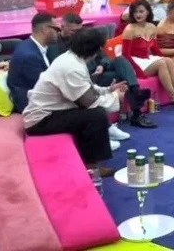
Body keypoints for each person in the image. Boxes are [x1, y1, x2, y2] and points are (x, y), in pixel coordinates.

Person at [23, 28, 127, 177]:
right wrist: (116, 97)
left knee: (93, 114)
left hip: (51, 112)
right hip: (40, 121)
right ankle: (91, 167)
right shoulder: (70, 66)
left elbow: (87, 88)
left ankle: (89, 161)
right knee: (96, 115)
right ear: (95, 49)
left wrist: (109, 90)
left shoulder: (71, 58)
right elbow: (89, 102)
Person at [50, 13, 154, 131]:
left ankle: (135, 90)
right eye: (74, 31)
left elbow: (105, 57)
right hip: (86, 77)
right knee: (123, 78)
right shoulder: (55, 44)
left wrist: (102, 65)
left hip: (101, 71)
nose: (77, 34)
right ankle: (137, 111)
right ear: (63, 27)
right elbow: (60, 68)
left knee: (120, 60)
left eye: (80, 30)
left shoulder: (85, 37)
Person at [121, 0, 174, 108]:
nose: (138, 15)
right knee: (161, 64)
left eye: (141, 11)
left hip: (147, 58)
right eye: (135, 12)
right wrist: (138, 71)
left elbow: (154, 49)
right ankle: (173, 96)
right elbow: (125, 54)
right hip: (134, 61)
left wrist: (165, 58)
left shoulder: (152, 27)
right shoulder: (129, 29)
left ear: (148, 12)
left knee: (168, 60)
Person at [7, 13, 58, 113]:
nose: (58, 33)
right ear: (45, 29)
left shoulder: (31, 46)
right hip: (33, 107)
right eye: (56, 29)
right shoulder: (30, 56)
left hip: (41, 99)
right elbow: (45, 89)